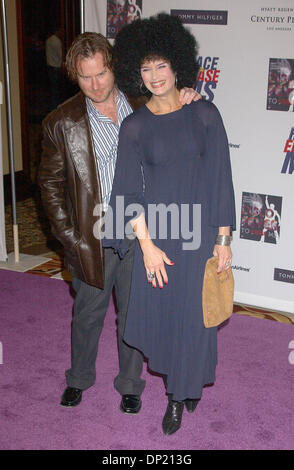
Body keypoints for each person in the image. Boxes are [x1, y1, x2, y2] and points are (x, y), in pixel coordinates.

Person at [38, 31, 201, 414]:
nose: (95, 85)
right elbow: (49, 187)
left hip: (141, 230)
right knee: (88, 314)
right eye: (84, 77)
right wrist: (72, 239)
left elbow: (181, 121)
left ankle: (130, 384)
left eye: (101, 73)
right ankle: (78, 379)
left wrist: (188, 96)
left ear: (113, 67)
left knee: (133, 314)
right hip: (92, 234)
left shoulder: (145, 102)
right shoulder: (60, 123)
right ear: (73, 76)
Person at [103, 14, 236, 434]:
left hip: (200, 239)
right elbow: (126, 192)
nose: (155, 75)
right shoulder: (135, 127)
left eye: (162, 65)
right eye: (145, 67)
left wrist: (223, 239)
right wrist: (146, 246)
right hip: (160, 237)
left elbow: (221, 178)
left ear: (178, 64)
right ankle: (178, 391)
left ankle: (182, 391)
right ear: (135, 73)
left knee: (195, 319)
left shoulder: (205, 115)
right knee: (166, 319)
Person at [45, 27, 63, 110]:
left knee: (52, 88)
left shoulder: (48, 40)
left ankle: (52, 107)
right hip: (56, 67)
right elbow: (60, 55)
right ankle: (55, 107)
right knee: (56, 89)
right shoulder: (57, 41)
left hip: (49, 66)